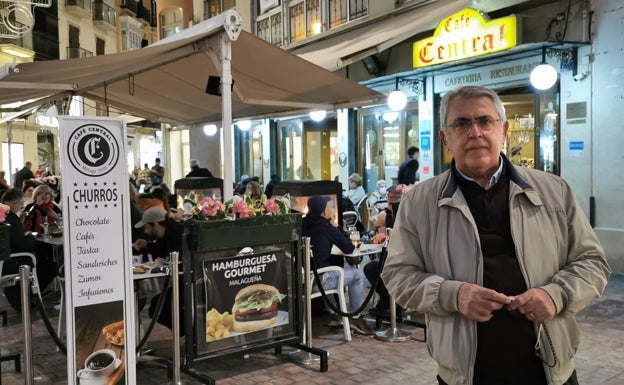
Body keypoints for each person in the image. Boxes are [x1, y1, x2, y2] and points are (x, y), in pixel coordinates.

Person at [381, 86, 611, 385]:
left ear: (503, 130)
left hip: (549, 368)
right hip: (466, 373)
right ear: (445, 138)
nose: (474, 132)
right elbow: (398, 275)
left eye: (484, 121)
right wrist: (454, 295)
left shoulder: (554, 191)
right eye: (461, 123)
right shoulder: (419, 203)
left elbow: (592, 261)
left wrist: (556, 295)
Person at [301, 195, 374, 335]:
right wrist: (338, 228)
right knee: (357, 275)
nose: (333, 209)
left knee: (327, 270)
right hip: (317, 283)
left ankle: (335, 313)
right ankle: (355, 317)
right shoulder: (326, 227)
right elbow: (349, 249)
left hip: (301, 281)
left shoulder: (300, 224)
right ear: (324, 212)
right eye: (331, 207)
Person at [1, 188, 57, 309]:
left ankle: (21, 297)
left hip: (5, 259)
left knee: (42, 259)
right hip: (13, 261)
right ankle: (26, 298)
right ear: (15, 203)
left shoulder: (4, 215)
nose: (22, 208)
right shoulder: (10, 217)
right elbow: (23, 245)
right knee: (51, 267)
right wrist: (32, 237)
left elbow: (16, 239)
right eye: (21, 206)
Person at [133, 206, 186, 334]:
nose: (145, 231)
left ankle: (188, 332)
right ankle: (187, 332)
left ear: (155, 225)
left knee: (158, 307)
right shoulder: (168, 233)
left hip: (188, 283)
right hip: (181, 281)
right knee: (157, 305)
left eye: (147, 227)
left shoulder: (178, 233)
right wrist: (146, 245)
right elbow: (161, 250)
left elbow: (177, 259)